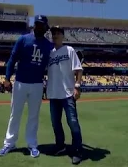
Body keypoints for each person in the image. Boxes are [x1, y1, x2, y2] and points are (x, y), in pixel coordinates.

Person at [0, 15, 53, 158]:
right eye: (37, 24)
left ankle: (32, 144)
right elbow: (12, 59)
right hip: (20, 83)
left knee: (33, 116)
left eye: (42, 25)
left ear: (46, 28)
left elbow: (54, 65)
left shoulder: (48, 45)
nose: (39, 26)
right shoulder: (23, 39)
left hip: (37, 84)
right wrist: (6, 78)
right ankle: (9, 143)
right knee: (15, 114)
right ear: (34, 25)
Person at [47, 26, 84, 165]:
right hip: (53, 93)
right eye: (53, 34)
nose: (55, 35)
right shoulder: (49, 53)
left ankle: (77, 150)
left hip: (68, 93)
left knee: (73, 123)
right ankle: (60, 146)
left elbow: (79, 69)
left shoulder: (69, 50)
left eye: (58, 33)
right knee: (56, 123)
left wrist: (77, 86)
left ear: (63, 36)